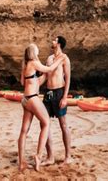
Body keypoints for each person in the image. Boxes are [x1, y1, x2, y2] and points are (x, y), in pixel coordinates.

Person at [18, 43, 65, 172]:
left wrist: (43, 75)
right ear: (33, 51)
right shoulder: (33, 62)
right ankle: (38, 156)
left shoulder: (26, 65)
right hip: (32, 98)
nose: (38, 48)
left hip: (25, 99)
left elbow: (28, 82)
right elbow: (49, 70)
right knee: (46, 123)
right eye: (36, 47)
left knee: (23, 131)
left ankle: (21, 162)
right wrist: (59, 61)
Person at [43, 36, 72, 165]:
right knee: (45, 124)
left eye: (54, 40)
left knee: (63, 124)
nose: (52, 42)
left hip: (59, 92)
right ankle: (50, 157)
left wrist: (65, 97)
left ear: (59, 43)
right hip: (48, 92)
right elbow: (45, 76)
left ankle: (68, 156)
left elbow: (68, 79)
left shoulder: (65, 59)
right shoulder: (49, 58)